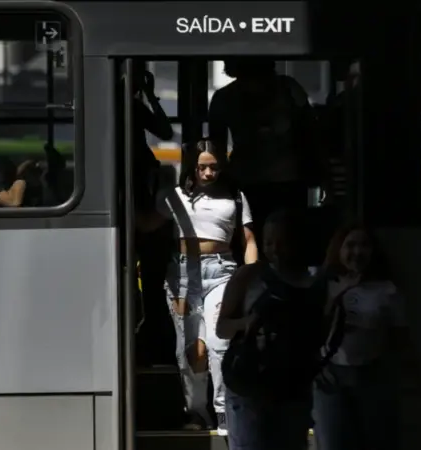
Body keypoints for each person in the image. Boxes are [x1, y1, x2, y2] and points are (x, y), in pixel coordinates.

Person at [138, 139, 258, 434]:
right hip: (182, 276)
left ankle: (224, 412)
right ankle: (196, 412)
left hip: (222, 272)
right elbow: (147, 224)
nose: (208, 173)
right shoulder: (175, 196)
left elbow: (249, 240)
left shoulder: (235, 197)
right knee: (192, 350)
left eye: (214, 167)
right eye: (202, 167)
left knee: (220, 344)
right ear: (192, 167)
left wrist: (251, 277)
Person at [216, 209, 336, 450]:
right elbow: (222, 328)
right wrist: (247, 322)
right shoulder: (250, 275)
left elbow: (322, 333)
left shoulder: (315, 282)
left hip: (293, 388)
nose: (276, 249)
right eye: (269, 242)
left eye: (283, 242)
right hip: (250, 385)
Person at [312, 222, 421, 450]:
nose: (357, 252)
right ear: (339, 249)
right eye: (350, 245)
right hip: (331, 377)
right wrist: (339, 294)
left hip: (372, 376)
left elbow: (402, 340)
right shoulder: (323, 284)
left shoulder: (386, 290)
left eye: (364, 245)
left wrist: (420, 386)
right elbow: (312, 329)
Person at [208, 59, 325, 248]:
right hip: (284, 178)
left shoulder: (225, 97)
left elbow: (216, 148)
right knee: (289, 240)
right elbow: (311, 130)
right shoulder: (288, 89)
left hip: (253, 179)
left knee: (252, 241)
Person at [128, 64, 178, 367]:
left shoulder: (133, 106)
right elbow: (165, 130)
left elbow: (165, 131)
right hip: (135, 195)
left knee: (152, 277)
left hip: (142, 196)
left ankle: (154, 336)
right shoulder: (125, 106)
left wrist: (148, 95)